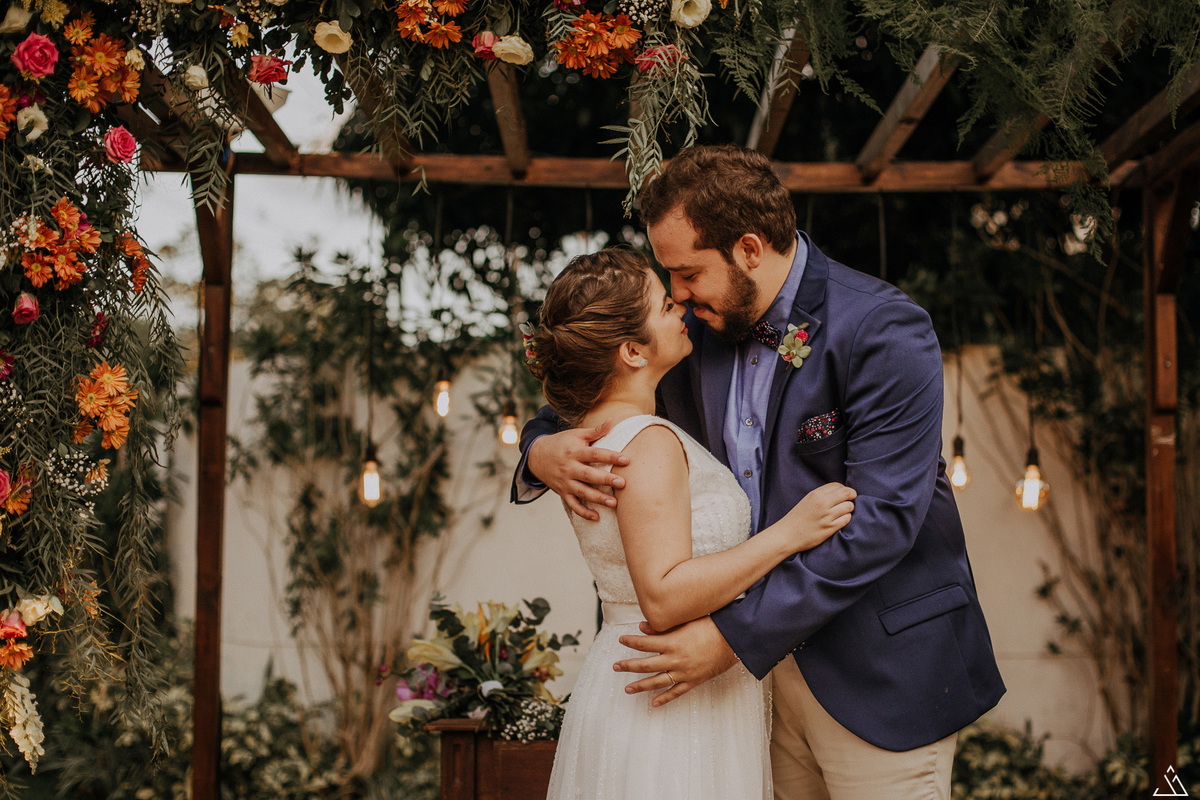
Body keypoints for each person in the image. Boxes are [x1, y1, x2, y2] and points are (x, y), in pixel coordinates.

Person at [514, 144, 1005, 800]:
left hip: (874, 671)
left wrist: (734, 638)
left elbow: (883, 522)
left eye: (686, 273)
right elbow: (598, 381)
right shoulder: (693, 335)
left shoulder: (883, 330)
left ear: (749, 248)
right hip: (744, 702)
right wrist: (540, 450)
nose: (678, 297)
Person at [523, 247, 857, 800]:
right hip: (671, 693)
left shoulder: (590, 441)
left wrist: (536, 449)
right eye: (661, 304)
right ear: (631, 351)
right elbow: (664, 595)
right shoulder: (647, 442)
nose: (679, 303)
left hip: (643, 675)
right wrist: (789, 534)